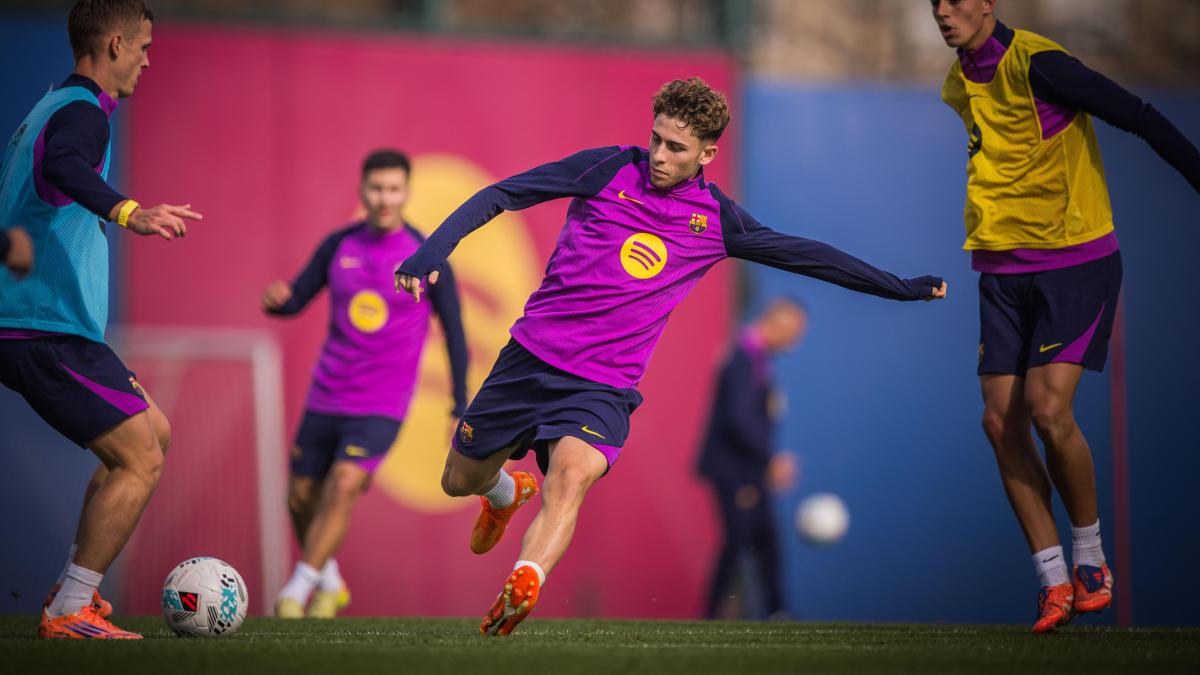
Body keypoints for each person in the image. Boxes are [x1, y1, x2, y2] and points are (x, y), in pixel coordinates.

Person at [395, 77, 946, 636]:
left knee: (571, 476)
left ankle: (526, 578)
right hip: (529, 357)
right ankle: (503, 492)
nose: (659, 155)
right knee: (457, 480)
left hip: (602, 385)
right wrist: (430, 251)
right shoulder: (608, 169)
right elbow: (503, 193)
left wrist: (898, 286)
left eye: (676, 148)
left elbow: (807, 256)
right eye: (656, 139)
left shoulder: (716, 220)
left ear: (707, 153)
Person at [932, 0, 1200, 633]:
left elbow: (1137, 115)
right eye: (933, 2)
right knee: (1001, 423)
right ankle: (1053, 579)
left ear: (988, 3)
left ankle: (1089, 560)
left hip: (1074, 260)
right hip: (1000, 269)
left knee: (1050, 412)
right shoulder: (957, 81)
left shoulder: (1040, 62)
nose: (943, 11)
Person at [0, 0, 203, 639]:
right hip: (41, 326)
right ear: (114, 44)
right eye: (143, 45)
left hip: (51, 326)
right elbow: (65, 168)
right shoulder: (82, 115)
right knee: (141, 458)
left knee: (153, 435)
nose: (148, 58)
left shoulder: (52, 106)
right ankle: (69, 610)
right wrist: (128, 211)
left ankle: (71, 589)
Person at [263, 149, 468, 619]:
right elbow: (295, 298)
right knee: (299, 497)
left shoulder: (428, 255)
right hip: (326, 394)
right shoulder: (339, 246)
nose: (384, 198)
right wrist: (278, 302)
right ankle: (329, 581)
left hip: (382, 402)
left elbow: (456, 333)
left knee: (345, 481)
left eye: (394, 189)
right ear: (362, 191)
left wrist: (459, 404)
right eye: (376, 188)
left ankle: (294, 593)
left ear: (407, 192)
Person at [698, 298, 805, 620]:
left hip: (748, 467)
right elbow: (738, 418)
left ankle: (776, 611)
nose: (795, 341)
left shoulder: (755, 357)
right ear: (777, 323)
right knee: (740, 540)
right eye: (794, 332)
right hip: (735, 470)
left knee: (764, 539)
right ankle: (713, 613)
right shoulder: (744, 357)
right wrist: (770, 459)